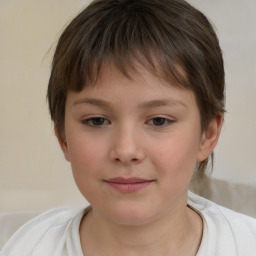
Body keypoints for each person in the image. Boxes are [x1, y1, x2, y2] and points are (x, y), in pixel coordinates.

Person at [1, 0, 256, 255]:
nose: (125, 150)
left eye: (159, 121)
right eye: (97, 121)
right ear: (63, 137)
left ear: (207, 135)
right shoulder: (29, 248)